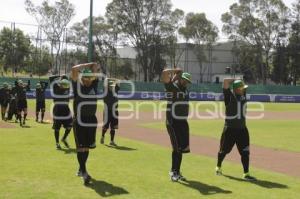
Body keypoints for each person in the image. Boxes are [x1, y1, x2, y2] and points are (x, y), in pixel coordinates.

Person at [216, 78, 256, 181]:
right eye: (242, 88)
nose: (244, 90)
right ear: (237, 89)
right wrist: (235, 80)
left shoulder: (243, 96)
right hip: (230, 129)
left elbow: (242, 88)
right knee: (223, 151)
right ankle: (218, 167)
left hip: (242, 129)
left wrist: (240, 81)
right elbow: (225, 82)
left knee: (245, 152)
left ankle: (246, 173)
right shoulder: (229, 97)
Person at [161, 68, 192, 182]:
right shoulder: (173, 88)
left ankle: (177, 171)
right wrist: (175, 71)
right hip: (172, 122)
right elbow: (164, 74)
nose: (186, 82)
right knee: (176, 148)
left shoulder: (185, 90)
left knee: (182, 148)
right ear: (180, 78)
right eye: (184, 80)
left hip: (183, 122)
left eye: (188, 81)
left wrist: (176, 77)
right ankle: (174, 172)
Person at [71, 62, 99, 185]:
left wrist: (93, 66)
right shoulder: (78, 86)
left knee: (87, 148)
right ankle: (84, 173)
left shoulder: (94, 85)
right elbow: (74, 69)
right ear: (82, 78)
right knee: (80, 147)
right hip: (80, 120)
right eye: (86, 78)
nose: (88, 80)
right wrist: (89, 64)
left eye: (90, 78)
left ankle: (81, 169)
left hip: (92, 120)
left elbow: (95, 67)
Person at [49, 75, 72, 149]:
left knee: (70, 126)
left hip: (66, 109)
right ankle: (57, 143)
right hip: (57, 109)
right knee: (57, 128)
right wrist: (59, 77)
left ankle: (64, 138)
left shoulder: (68, 87)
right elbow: (51, 78)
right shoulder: (56, 87)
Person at [100, 78, 120, 146]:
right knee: (105, 126)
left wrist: (114, 80)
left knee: (113, 127)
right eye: (110, 85)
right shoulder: (106, 91)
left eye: (113, 85)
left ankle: (112, 141)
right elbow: (105, 80)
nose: (112, 86)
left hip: (115, 111)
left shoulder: (116, 90)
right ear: (108, 86)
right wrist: (109, 79)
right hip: (107, 111)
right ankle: (102, 136)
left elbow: (118, 81)